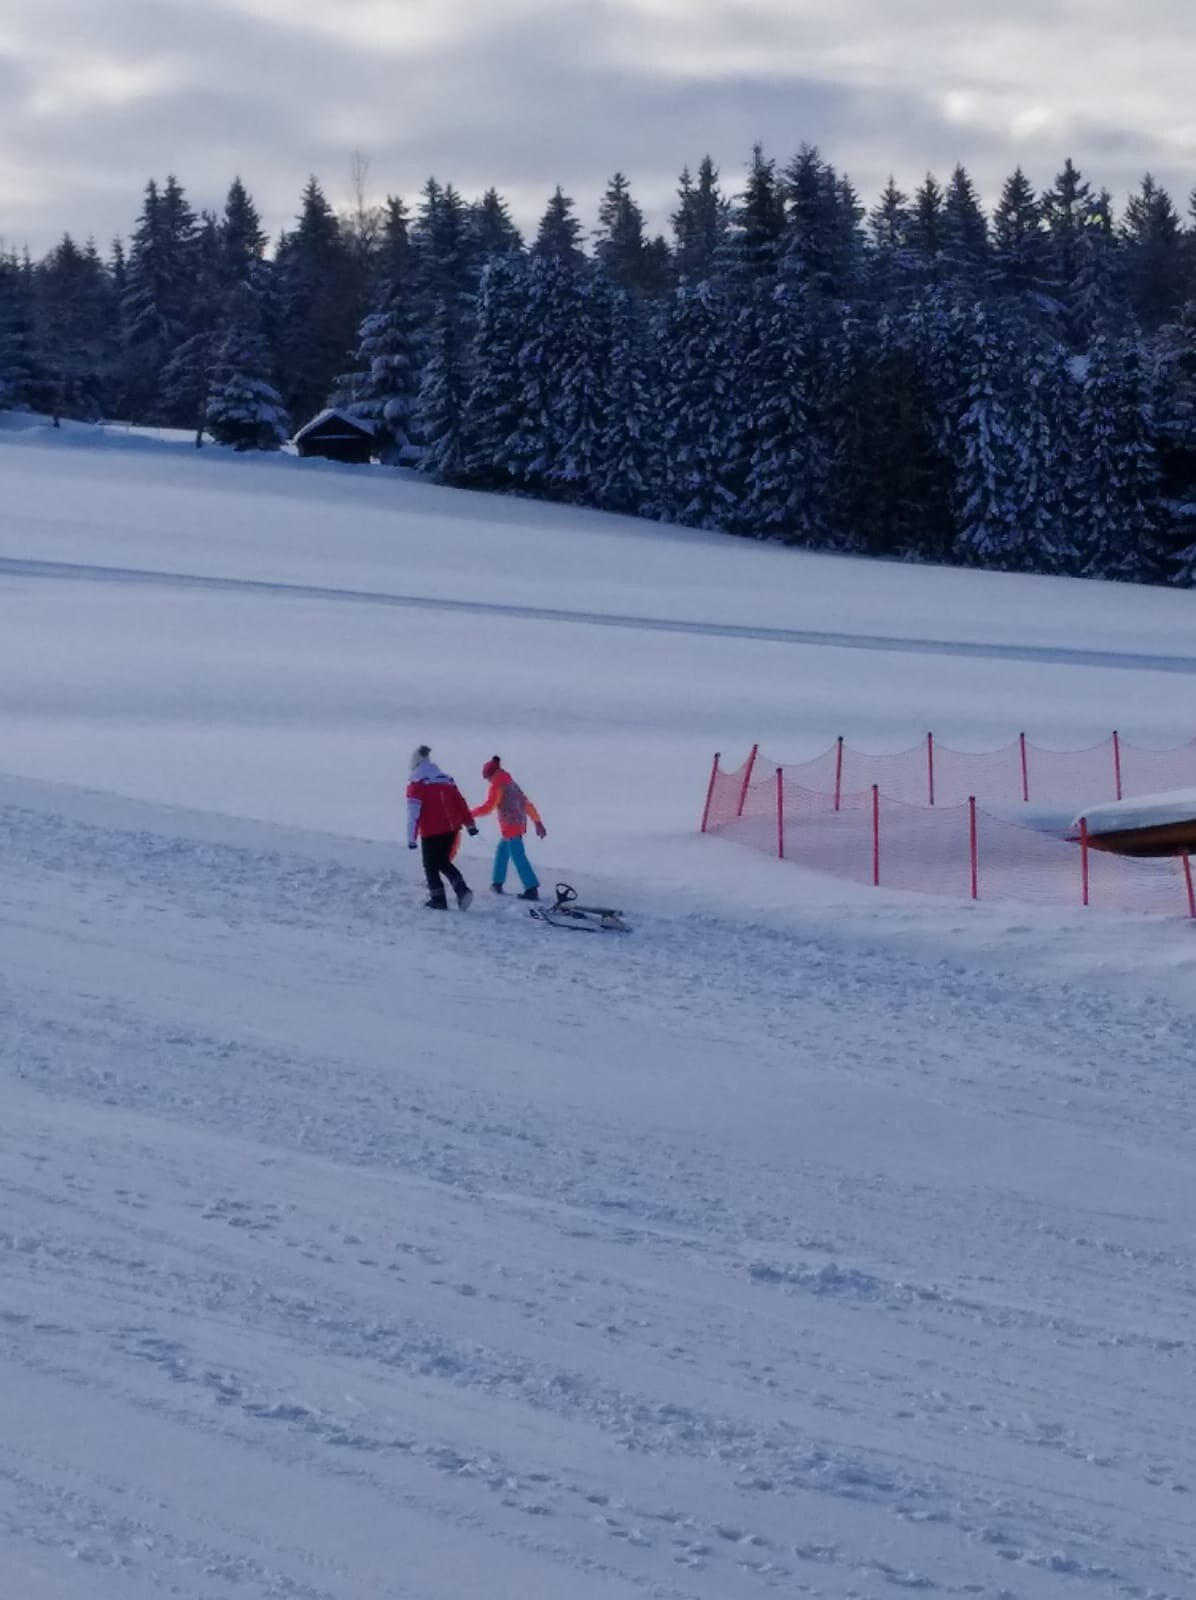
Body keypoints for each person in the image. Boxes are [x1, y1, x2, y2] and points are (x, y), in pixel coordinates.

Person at [406, 745, 478, 910]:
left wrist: (411, 838)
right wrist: (470, 824)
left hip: (431, 831)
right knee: (443, 861)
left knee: (430, 865)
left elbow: (413, 814)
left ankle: (438, 899)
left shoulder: (416, 785)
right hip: (451, 829)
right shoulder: (447, 780)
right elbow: (460, 803)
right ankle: (462, 890)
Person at [471, 755, 547, 901]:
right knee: (502, 851)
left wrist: (469, 814)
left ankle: (531, 888)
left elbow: (488, 807)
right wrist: (537, 821)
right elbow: (526, 804)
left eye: (487, 778)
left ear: (490, 775)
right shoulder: (510, 783)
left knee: (518, 856)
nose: (487, 781)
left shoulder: (497, 785)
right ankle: (497, 883)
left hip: (511, 825)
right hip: (517, 824)